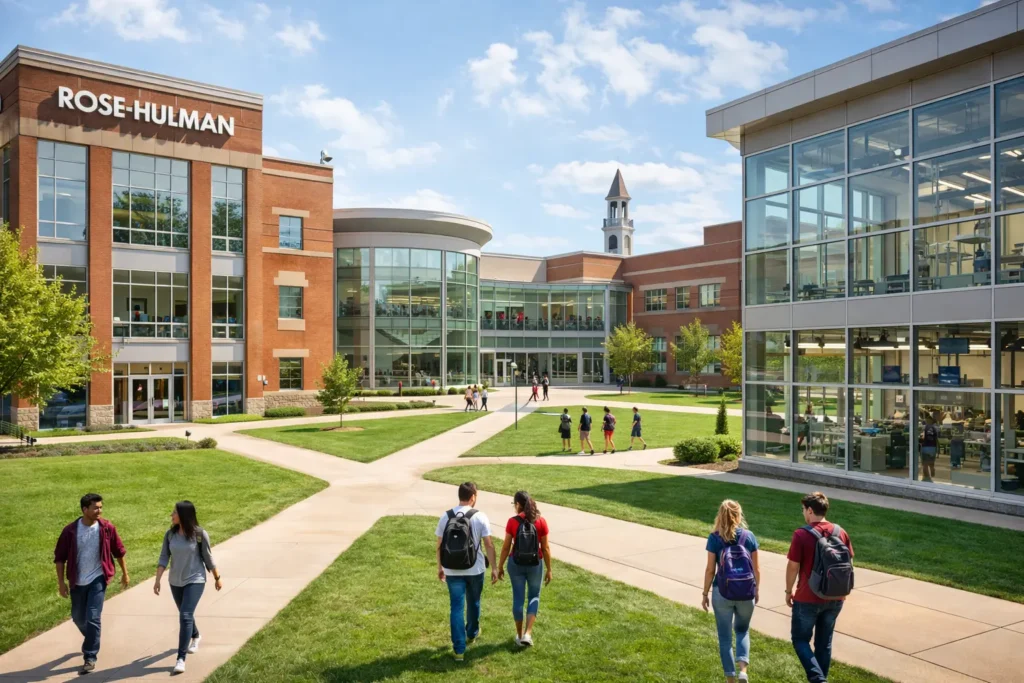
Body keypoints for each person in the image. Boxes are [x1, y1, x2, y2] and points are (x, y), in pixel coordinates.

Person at [53, 493, 129, 675]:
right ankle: (93, 639)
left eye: (101, 507)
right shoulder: (70, 531)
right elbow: (59, 558)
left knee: (93, 617)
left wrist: (125, 574)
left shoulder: (107, 528)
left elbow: (118, 551)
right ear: (84, 509)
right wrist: (61, 583)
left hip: (98, 578)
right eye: (95, 508)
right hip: (77, 580)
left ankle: (90, 656)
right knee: (79, 618)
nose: (99, 511)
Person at [785, 492, 854, 683]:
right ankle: (820, 679)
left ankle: (818, 679)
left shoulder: (801, 534)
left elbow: (793, 566)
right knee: (824, 644)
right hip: (835, 598)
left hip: (807, 598)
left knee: (800, 640)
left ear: (809, 510)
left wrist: (788, 590)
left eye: (803, 510)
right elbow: (849, 563)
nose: (803, 513)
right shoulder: (841, 532)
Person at [154, 501, 222, 675]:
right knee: (186, 614)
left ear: (184, 515)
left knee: (185, 616)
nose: (171, 515)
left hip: (195, 580)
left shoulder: (199, 534)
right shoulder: (170, 535)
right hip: (175, 581)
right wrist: (158, 580)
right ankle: (196, 635)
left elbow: (208, 557)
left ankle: (180, 659)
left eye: (174, 512)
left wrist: (217, 578)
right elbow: (163, 557)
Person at [436, 482, 497, 661]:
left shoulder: (446, 516)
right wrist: (494, 567)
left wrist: (440, 567)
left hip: (452, 570)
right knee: (474, 602)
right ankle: (471, 633)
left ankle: (459, 651)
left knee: (456, 607)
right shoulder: (480, 517)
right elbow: (489, 544)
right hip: (475, 568)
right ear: (473, 497)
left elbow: (439, 545)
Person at [702, 500, 760, 683]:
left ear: (720, 515)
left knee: (725, 637)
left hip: (722, 592)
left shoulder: (714, 538)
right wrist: (756, 589)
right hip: (746, 591)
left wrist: (704, 593)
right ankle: (743, 670)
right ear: (739, 515)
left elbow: (710, 569)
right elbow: (756, 569)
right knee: (742, 630)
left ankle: (731, 680)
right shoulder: (749, 537)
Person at [496, 491, 553, 647]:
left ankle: (519, 635)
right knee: (534, 596)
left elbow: (506, 546)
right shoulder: (541, 521)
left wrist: (500, 566)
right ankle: (528, 634)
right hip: (536, 564)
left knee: (518, 598)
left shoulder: (512, 522)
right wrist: (549, 569)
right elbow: (546, 547)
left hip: (516, 564)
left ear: (518, 505)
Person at [920, 416, 938, 482]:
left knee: (925, 464)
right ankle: (933, 477)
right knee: (931, 464)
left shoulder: (925, 427)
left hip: (926, 447)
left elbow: (923, 438)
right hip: (933, 447)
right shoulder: (934, 428)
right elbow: (936, 439)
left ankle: (927, 478)